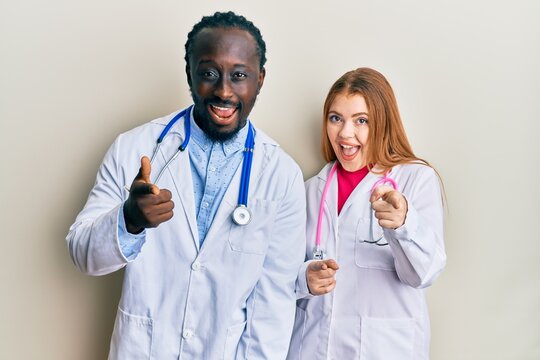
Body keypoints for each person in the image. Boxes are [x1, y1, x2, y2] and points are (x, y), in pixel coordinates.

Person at [66, 11, 306, 359]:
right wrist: (128, 221)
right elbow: (82, 254)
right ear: (190, 74)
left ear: (261, 79)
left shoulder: (281, 175)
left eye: (239, 75)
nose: (224, 91)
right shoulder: (134, 148)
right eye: (209, 73)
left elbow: (272, 306)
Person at [287, 67, 446, 359]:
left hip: (385, 348)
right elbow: (278, 273)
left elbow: (425, 273)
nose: (345, 133)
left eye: (362, 120)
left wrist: (403, 224)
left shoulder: (415, 180)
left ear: (383, 123)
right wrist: (304, 280)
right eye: (336, 118)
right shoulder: (310, 191)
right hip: (312, 347)